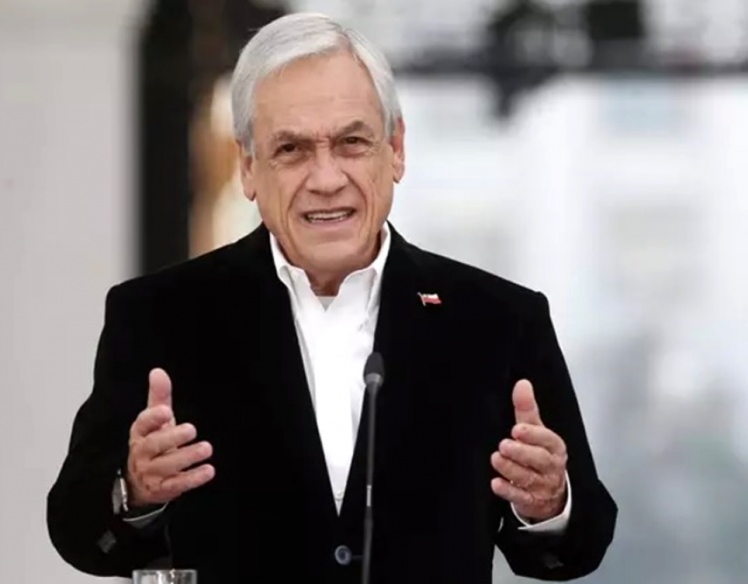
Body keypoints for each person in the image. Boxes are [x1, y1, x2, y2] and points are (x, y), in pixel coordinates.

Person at [47, 12, 617, 584]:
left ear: (395, 149)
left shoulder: (498, 320)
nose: (326, 179)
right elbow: (79, 532)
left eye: (351, 143)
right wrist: (135, 490)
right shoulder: (160, 315)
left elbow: (582, 543)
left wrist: (549, 502)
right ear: (248, 167)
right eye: (291, 149)